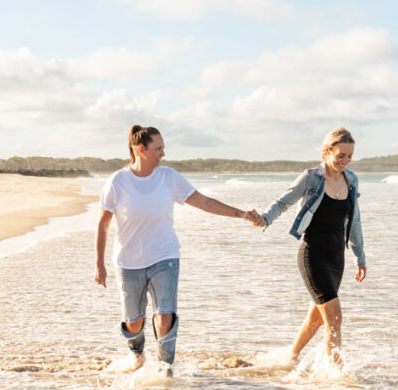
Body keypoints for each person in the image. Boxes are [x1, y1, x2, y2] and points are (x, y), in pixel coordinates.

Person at [95, 125, 263, 376]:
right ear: (140, 150)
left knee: (165, 315)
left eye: (163, 148)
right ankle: (138, 357)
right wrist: (99, 263)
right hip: (128, 261)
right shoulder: (118, 182)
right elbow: (103, 223)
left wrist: (240, 214)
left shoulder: (169, 177)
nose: (163, 153)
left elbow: (204, 202)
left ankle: (164, 369)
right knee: (133, 321)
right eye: (158, 149)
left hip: (165, 256)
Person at [257, 127, 367, 367]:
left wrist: (360, 256)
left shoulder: (352, 180)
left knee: (316, 318)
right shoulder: (311, 178)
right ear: (327, 152)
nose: (345, 161)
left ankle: (291, 357)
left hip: (337, 257)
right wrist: (265, 218)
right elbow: (283, 202)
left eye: (349, 156)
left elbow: (355, 219)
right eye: (340, 156)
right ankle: (335, 375)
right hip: (313, 255)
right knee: (335, 319)